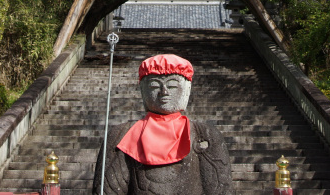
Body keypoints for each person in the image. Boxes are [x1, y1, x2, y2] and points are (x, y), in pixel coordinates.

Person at [93, 54, 231, 195]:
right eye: (154, 85)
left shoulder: (204, 135)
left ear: (186, 89)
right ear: (143, 89)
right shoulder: (122, 135)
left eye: (172, 86)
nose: (164, 92)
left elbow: (220, 189)